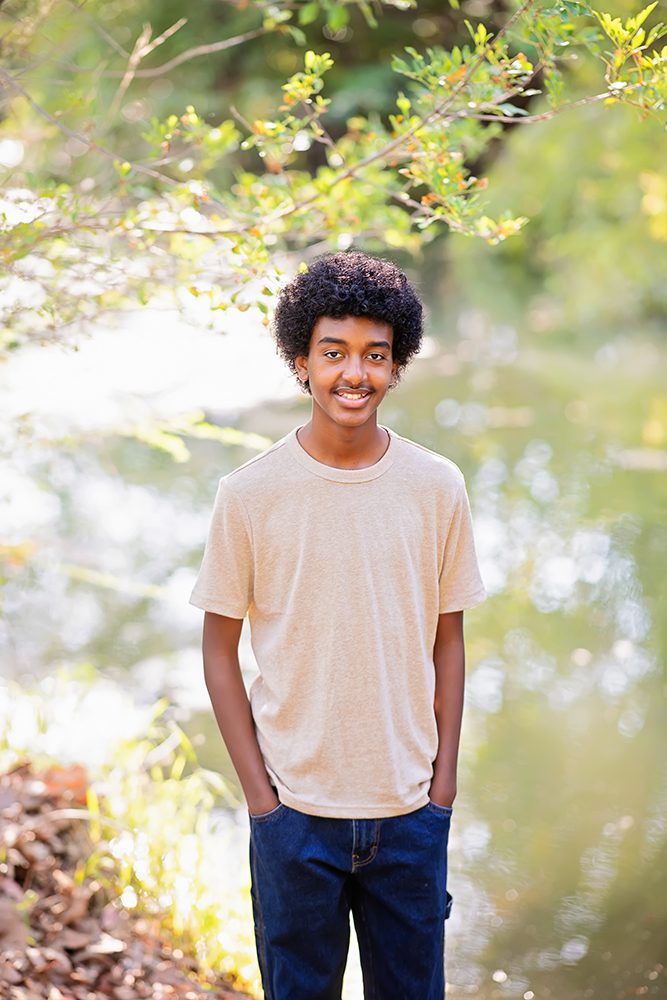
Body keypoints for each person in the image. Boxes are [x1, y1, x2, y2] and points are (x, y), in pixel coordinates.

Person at [189, 250, 486, 1000]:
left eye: (374, 355)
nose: (354, 373)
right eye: (334, 353)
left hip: (409, 812)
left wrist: (442, 785)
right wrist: (261, 797)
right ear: (300, 361)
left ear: (396, 365)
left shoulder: (436, 486)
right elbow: (219, 652)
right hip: (295, 816)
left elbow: (447, 641)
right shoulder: (249, 494)